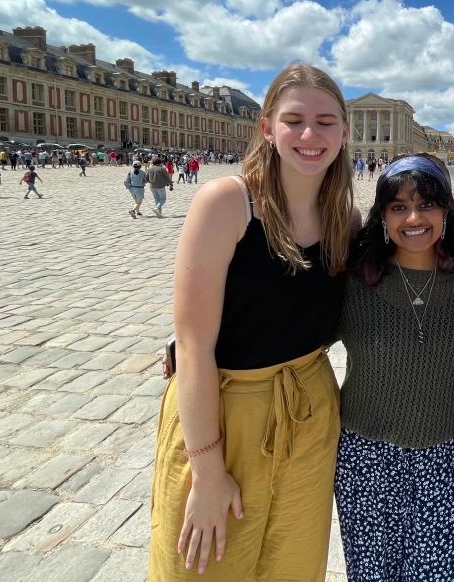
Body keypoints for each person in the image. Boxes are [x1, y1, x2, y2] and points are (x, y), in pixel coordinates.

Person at [149, 63, 354, 580]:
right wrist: (208, 471)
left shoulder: (345, 221)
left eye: (326, 121)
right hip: (223, 414)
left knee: (294, 567)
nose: (311, 135)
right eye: (295, 120)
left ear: (345, 132)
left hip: (309, 414)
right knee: (202, 566)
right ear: (267, 128)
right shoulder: (227, 203)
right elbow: (194, 348)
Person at [335, 154, 454, 580]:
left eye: (427, 205)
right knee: (372, 575)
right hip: (366, 459)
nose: (414, 218)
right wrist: (202, 335)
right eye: (399, 207)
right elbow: (291, 331)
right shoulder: (355, 281)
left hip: (444, 456)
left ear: (446, 212)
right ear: (382, 215)